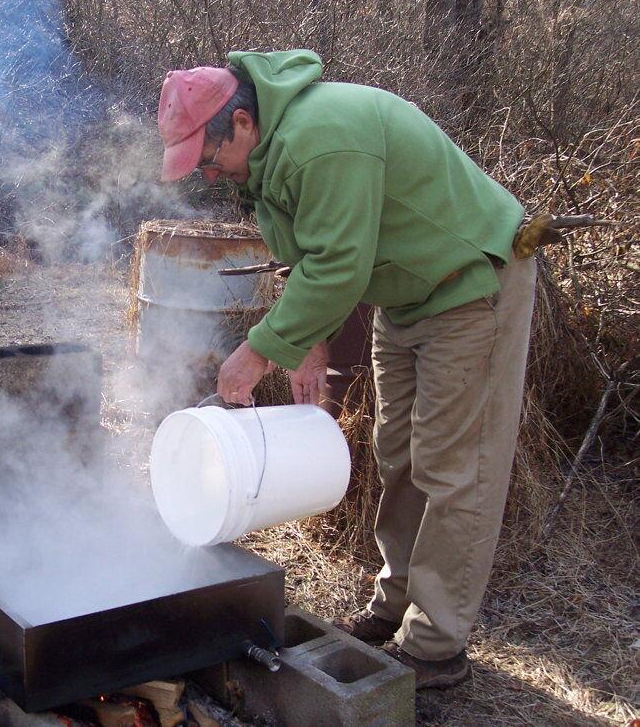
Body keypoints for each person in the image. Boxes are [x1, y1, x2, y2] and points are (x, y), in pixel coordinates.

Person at [157, 50, 536, 689]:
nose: (212, 173)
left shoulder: (319, 140)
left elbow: (338, 267)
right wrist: (309, 344)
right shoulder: (266, 162)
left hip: (472, 286)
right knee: (398, 454)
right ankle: (395, 603)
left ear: (243, 121)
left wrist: (258, 351)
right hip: (407, 295)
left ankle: (436, 644)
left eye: (210, 155)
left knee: (454, 466)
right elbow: (309, 257)